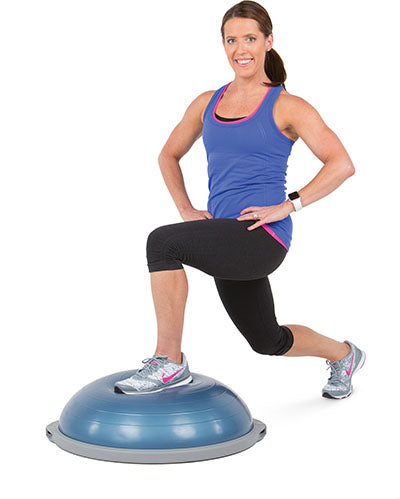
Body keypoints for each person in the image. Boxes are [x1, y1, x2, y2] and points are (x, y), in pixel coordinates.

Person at [114, 0, 365, 399]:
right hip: (224, 235)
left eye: (250, 38)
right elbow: (168, 155)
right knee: (267, 339)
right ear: (223, 45)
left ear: (268, 41)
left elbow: (342, 164)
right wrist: (185, 209)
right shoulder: (207, 102)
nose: (240, 49)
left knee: (162, 243)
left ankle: (169, 361)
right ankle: (344, 355)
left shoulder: (288, 106)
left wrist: (289, 204)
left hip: (262, 235)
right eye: (231, 40)